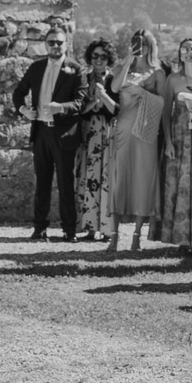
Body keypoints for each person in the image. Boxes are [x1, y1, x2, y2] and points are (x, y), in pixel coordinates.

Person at [9, 28, 84, 242]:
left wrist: (60, 107)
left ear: (66, 44)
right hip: (41, 131)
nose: (55, 46)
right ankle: (39, 228)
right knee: (42, 182)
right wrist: (23, 110)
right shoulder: (36, 67)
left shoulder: (75, 69)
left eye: (59, 42)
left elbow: (80, 102)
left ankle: (69, 230)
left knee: (65, 183)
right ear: (45, 44)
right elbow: (18, 92)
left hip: (63, 133)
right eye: (51, 42)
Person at [152, 38, 192, 256]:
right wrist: (167, 141)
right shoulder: (172, 80)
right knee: (180, 187)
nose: (188, 53)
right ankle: (183, 238)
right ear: (179, 53)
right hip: (178, 139)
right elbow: (165, 113)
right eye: (184, 49)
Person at [108, 32, 163, 253]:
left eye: (145, 45)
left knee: (143, 182)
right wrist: (128, 59)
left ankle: (137, 237)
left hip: (146, 135)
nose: (141, 48)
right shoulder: (123, 69)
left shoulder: (157, 73)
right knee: (119, 181)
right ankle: (113, 237)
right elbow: (114, 89)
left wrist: (142, 92)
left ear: (151, 47)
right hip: (123, 132)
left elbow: (162, 104)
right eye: (136, 44)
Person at [72, 38, 119, 244]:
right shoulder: (83, 78)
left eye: (103, 56)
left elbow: (118, 109)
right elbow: (79, 108)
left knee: (106, 178)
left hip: (108, 132)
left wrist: (104, 98)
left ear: (109, 58)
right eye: (95, 56)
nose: (99, 60)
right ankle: (90, 227)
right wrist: (94, 102)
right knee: (87, 177)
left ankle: (108, 229)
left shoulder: (115, 79)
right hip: (88, 132)